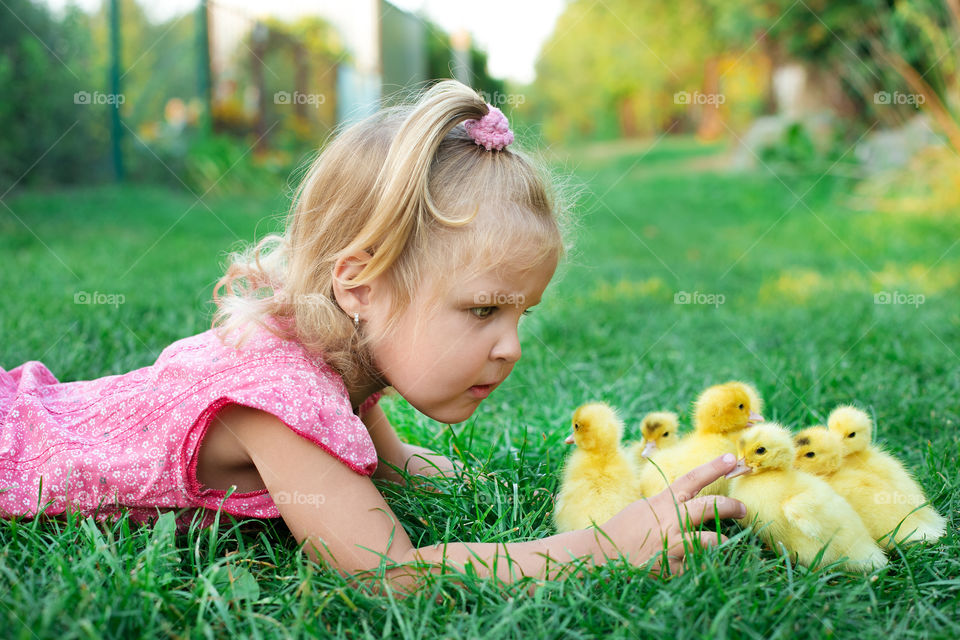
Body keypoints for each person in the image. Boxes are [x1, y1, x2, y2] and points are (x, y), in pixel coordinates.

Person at [0, 80, 745, 595]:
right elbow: (386, 573)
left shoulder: (339, 355)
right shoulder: (280, 399)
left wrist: (611, 481)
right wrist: (600, 546)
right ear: (359, 285)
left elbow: (400, 469)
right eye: (483, 311)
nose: (511, 345)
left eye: (523, 315)